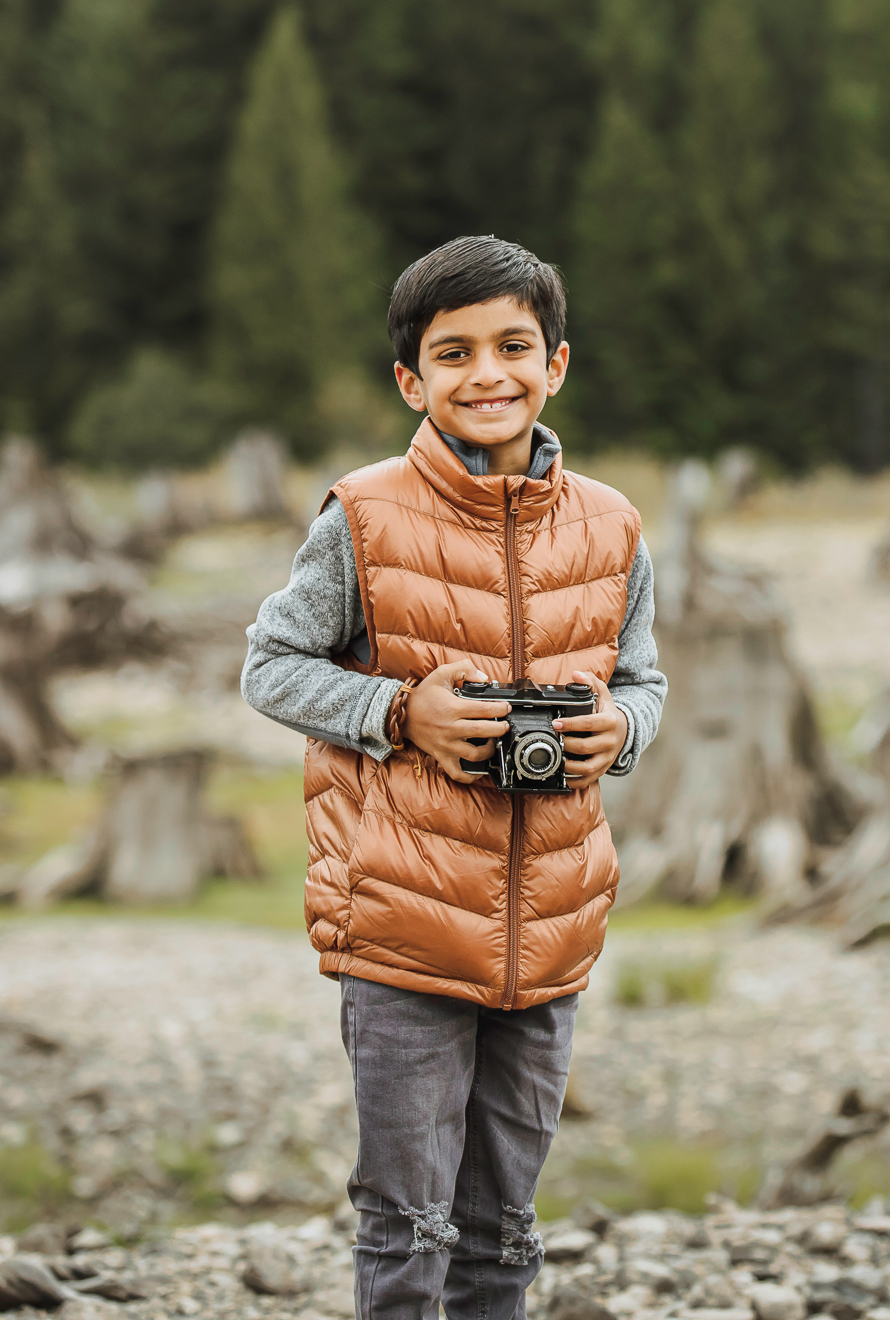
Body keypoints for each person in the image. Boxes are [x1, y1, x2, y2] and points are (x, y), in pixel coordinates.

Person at [241, 235, 667, 1320]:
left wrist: (617, 730)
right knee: (408, 1224)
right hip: (402, 929)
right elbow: (269, 665)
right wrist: (397, 712)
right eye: (455, 352)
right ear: (411, 381)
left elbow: (645, 681)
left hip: (554, 929)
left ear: (557, 363)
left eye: (514, 346)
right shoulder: (365, 515)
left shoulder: (613, 525)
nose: (489, 374)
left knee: (503, 1231)